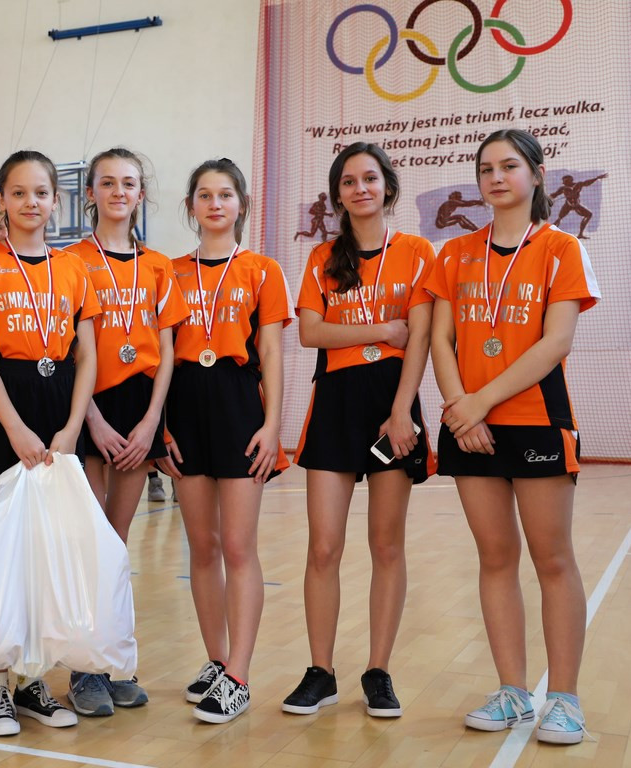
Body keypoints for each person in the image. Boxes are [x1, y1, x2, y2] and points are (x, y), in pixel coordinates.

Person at [427, 128, 599, 745]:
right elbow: (440, 339)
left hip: (535, 419)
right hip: (469, 425)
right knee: (495, 558)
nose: (496, 177)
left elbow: (556, 343)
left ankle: (565, 699)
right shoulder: (453, 254)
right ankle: (512, 692)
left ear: (536, 174)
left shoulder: (560, 248)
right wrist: (462, 410)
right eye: (486, 168)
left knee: (552, 559)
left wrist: (480, 402)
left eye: (508, 166)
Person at [284, 142, 436, 719]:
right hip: (335, 405)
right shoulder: (322, 257)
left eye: (370, 178)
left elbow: (418, 339)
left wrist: (401, 413)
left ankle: (378, 671)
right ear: (338, 195)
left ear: (388, 187)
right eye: (348, 181)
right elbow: (311, 333)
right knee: (323, 547)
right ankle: (320, 672)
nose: (360, 188)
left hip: (392, 404)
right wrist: (381, 330)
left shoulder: (418, 252)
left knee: (385, 545)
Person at [0, 149, 100, 737]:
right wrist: (14, 427)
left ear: (56, 200)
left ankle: (33, 680)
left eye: (41, 192)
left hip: (59, 411)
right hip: (2, 412)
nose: (30, 202)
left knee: (47, 555)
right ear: (2, 200)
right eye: (18, 192)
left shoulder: (74, 268)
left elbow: (87, 355)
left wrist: (72, 427)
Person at [157, 158, 292, 724]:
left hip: (239, 406)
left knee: (238, 546)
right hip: (185, 406)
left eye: (226, 194)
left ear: (242, 204)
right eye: (205, 195)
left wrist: (272, 424)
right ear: (191, 206)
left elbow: (272, 352)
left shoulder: (263, 270)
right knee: (202, 546)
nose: (215, 204)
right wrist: (161, 425)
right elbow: (161, 356)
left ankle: (239, 673)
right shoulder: (168, 271)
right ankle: (215, 660)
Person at [63, 147, 188, 716]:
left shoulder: (158, 265)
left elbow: (167, 351)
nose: (118, 192)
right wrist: (91, 418)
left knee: (115, 542)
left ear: (141, 194)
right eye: (108, 183)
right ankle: (82, 669)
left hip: (140, 410)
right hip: (88, 405)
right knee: (88, 541)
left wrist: (151, 421)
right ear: (90, 192)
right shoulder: (70, 261)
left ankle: (111, 660)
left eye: (129, 183)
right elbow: (68, 345)